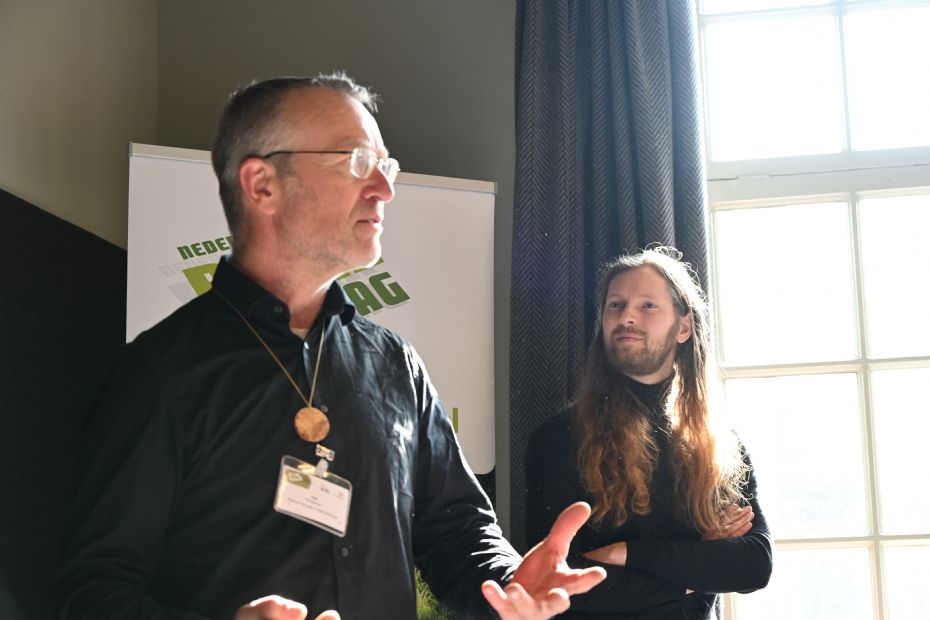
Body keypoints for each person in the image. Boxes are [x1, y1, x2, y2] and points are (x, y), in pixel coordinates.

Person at [50, 73, 605, 620]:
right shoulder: (159, 373)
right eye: (357, 161)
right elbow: (91, 592)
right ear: (262, 185)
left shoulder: (395, 365)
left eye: (386, 166)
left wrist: (507, 578)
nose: (385, 188)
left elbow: (456, 529)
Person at [525, 247, 772, 619]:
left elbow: (754, 565)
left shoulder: (719, 444)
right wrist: (697, 568)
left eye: (647, 306)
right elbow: (557, 580)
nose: (627, 316)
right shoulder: (559, 439)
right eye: (616, 305)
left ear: (683, 327)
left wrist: (624, 553)